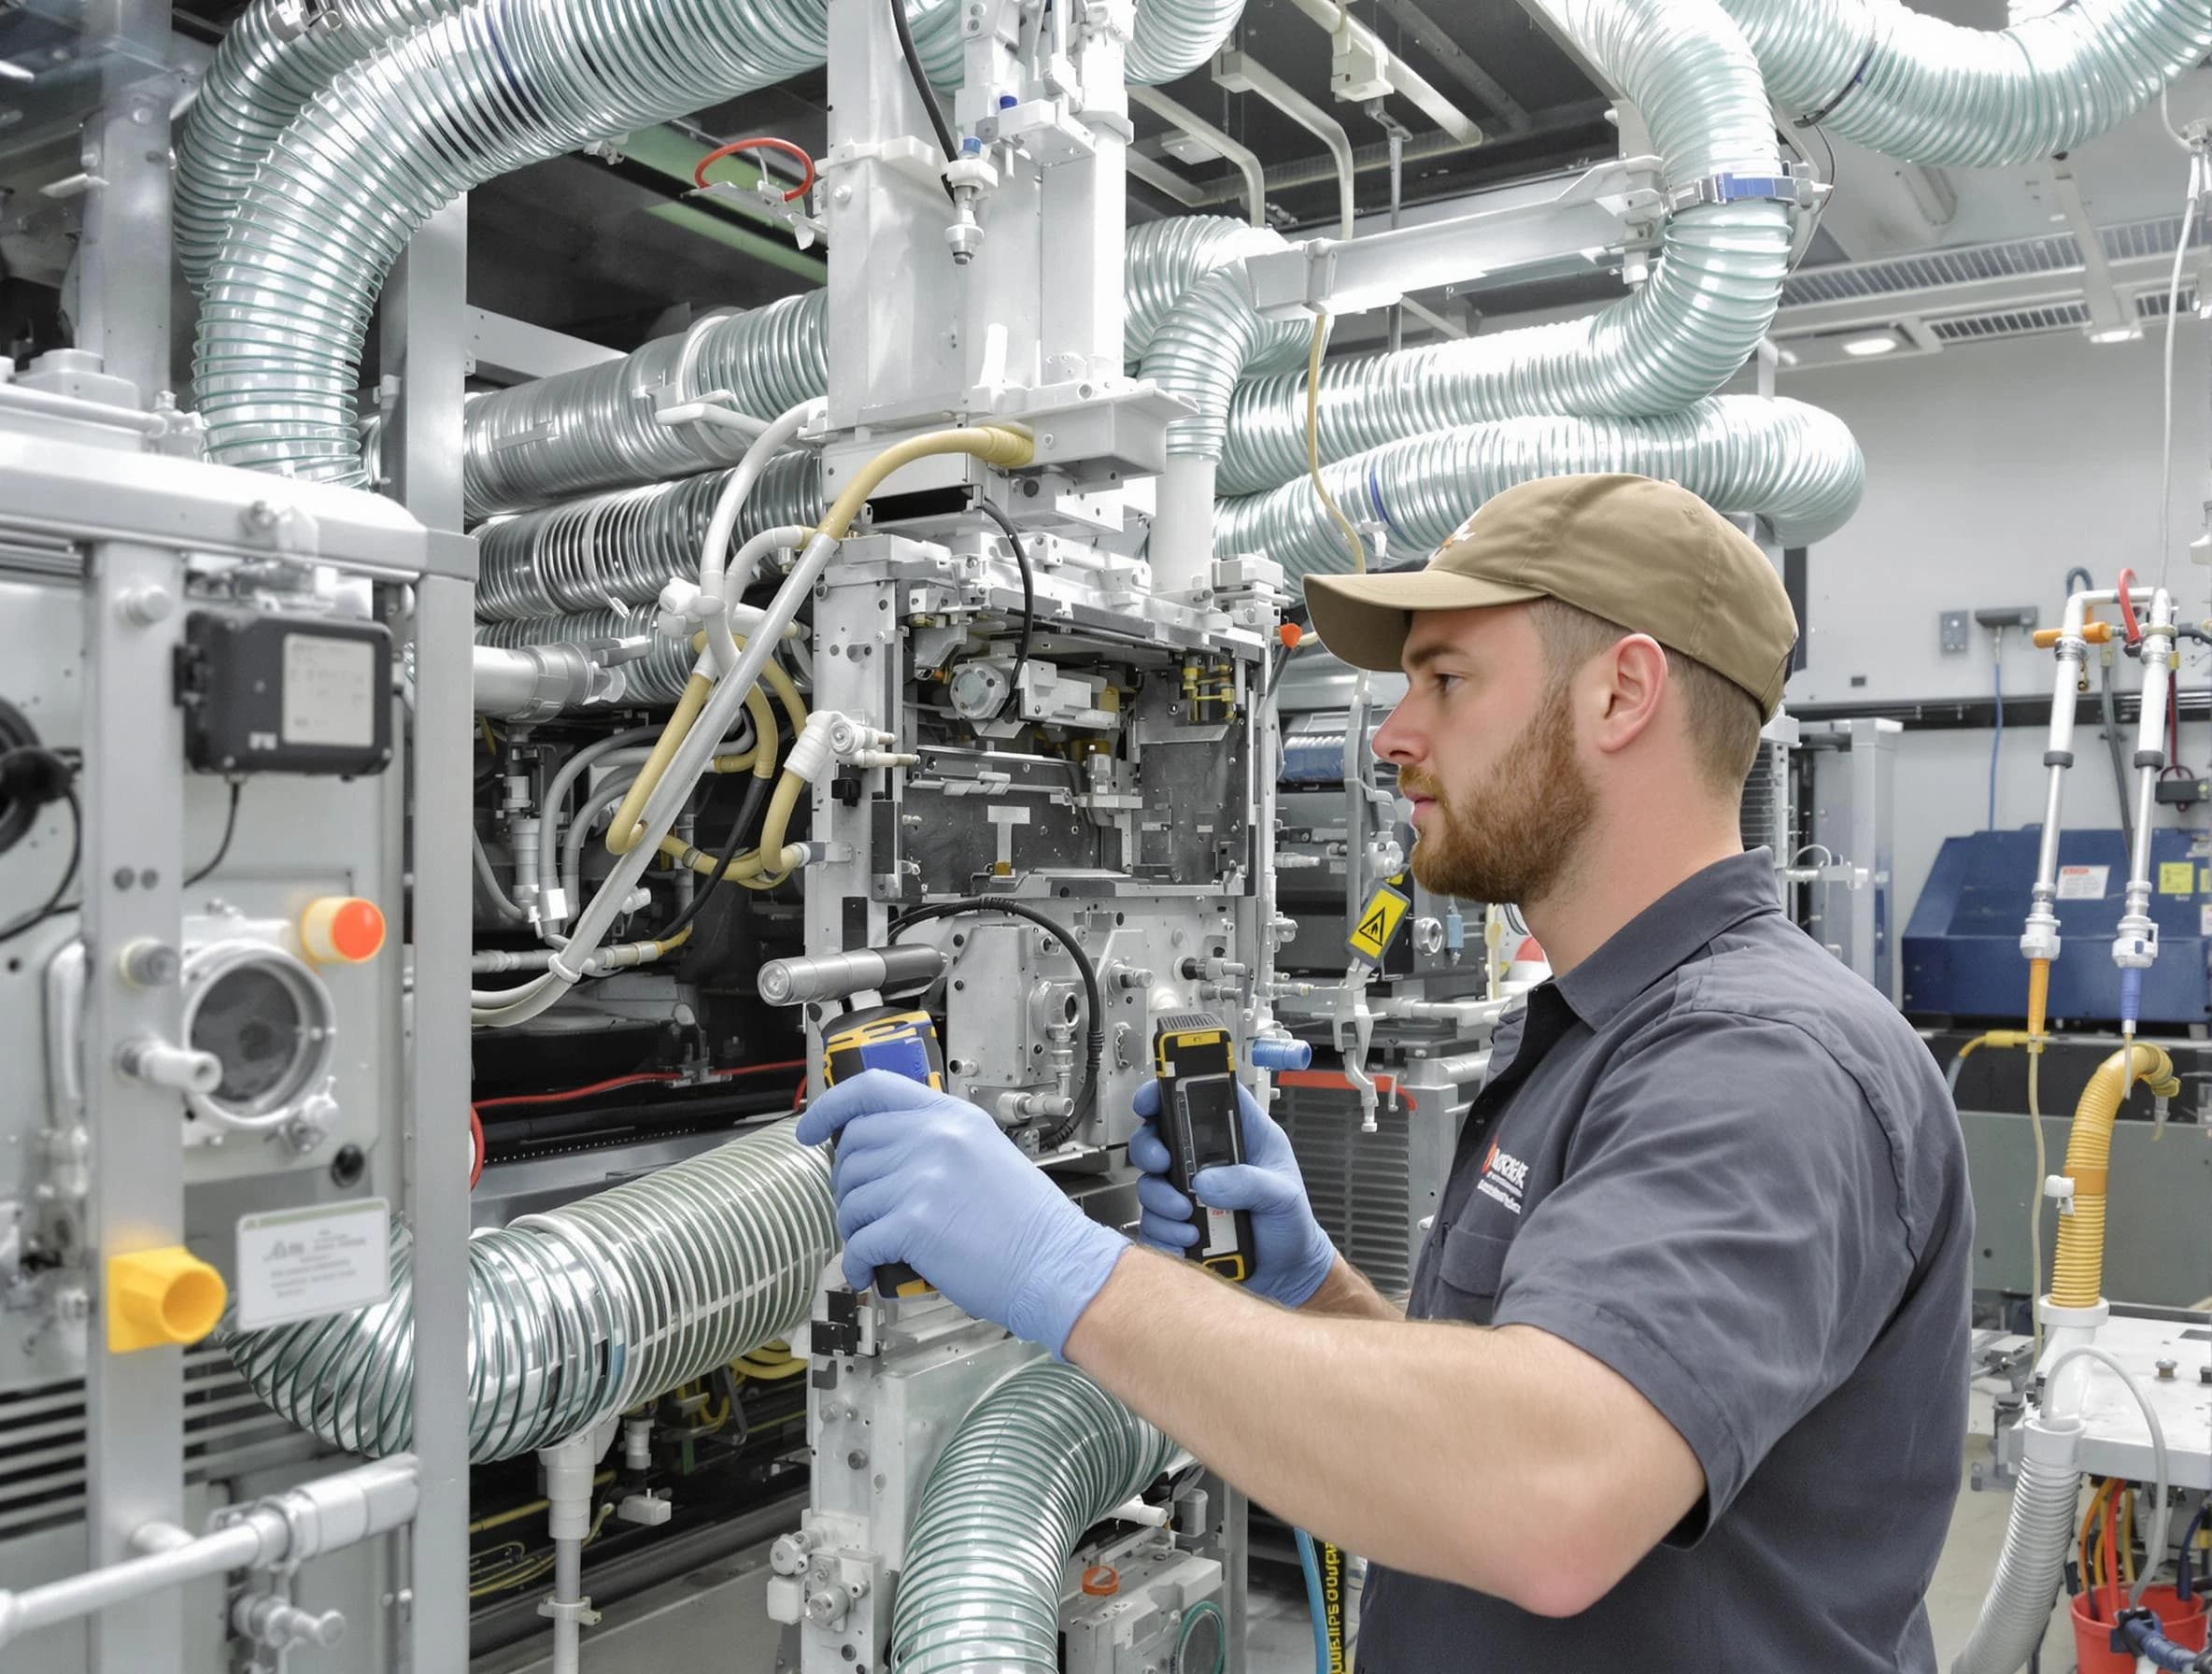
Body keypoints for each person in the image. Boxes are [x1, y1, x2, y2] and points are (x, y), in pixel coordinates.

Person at [797, 473, 1972, 1671]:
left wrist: (1060, 1266)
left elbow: (1548, 1496)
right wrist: (1313, 1291)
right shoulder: (1598, 1028)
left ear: (1622, 692)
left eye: (1446, 680)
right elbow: (1503, 1412)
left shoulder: (1762, 1061)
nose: (1393, 734)